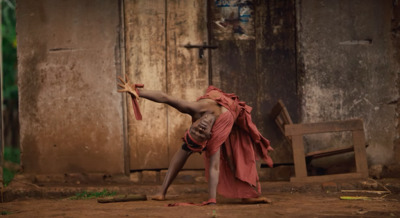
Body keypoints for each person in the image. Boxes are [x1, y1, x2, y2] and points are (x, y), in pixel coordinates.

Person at [118, 76, 273, 205]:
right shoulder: (215, 137)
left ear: (193, 123)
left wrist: (138, 92)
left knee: (192, 147)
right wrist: (212, 200)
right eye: (201, 131)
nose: (201, 127)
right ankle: (162, 191)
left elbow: (165, 98)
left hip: (230, 114)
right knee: (195, 151)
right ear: (209, 135)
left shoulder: (195, 109)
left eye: (197, 128)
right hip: (229, 120)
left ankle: (162, 191)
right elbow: (214, 168)